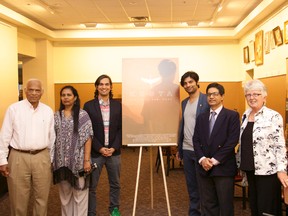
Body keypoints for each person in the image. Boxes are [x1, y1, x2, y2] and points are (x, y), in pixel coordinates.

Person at [0, 79, 55, 216]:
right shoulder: (14, 109)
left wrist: (51, 159)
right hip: (18, 157)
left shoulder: (48, 111)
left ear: (42, 92)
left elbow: (52, 137)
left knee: (42, 198)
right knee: (18, 199)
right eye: (31, 90)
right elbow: (4, 136)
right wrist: (2, 160)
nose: (34, 93)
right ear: (25, 91)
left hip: (42, 157)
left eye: (37, 90)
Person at [237, 79, 288, 216]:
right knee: (255, 207)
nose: (252, 97)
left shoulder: (273, 116)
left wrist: (282, 170)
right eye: (248, 94)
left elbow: (280, 145)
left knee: (267, 210)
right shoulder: (245, 115)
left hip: (268, 172)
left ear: (264, 97)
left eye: (256, 94)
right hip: (250, 170)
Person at [193, 82, 240, 216]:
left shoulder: (232, 116)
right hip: (204, 168)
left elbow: (232, 142)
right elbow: (196, 140)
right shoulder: (201, 117)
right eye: (209, 94)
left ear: (222, 96)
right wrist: (202, 159)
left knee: (225, 206)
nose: (211, 97)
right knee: (208, 204)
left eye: (215, 94)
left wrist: (213, 161)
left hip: (223, 168)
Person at [84, 74, 122, 216]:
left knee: (115, 184)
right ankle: (91, 212)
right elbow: (87, 130)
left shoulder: (118, 105)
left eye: (107, 84)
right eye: (101, 84)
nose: (104, 87)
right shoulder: (88, 106)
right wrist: (99, 148)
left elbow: (120, 129)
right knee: (92, 186)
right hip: (95, 152)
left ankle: (114, 210)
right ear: (96, 87)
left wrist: (114, 147)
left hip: (114, 152)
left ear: (111, 87)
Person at [53, 85, 93, 216]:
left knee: (79, 196)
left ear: (75, 97)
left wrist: (86, 161)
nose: (65, 97)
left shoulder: (82, 115)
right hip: (61, 164)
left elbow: (88, 139)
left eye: (69, 95)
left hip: (79, 162)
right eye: (63, 95)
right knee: (65, 198)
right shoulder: (56, 116)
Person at [176, 71, 209, 216]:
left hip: (202, 151)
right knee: (191, 185)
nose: (188, 85)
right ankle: (194, 212)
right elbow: (182, 126)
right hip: (187, 149)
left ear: (197, 82)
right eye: (185, 83)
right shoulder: (184, 103)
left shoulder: (207, 100)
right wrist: (179, 148)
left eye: (191, 82)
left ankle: (206, 212)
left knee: (204, 185)